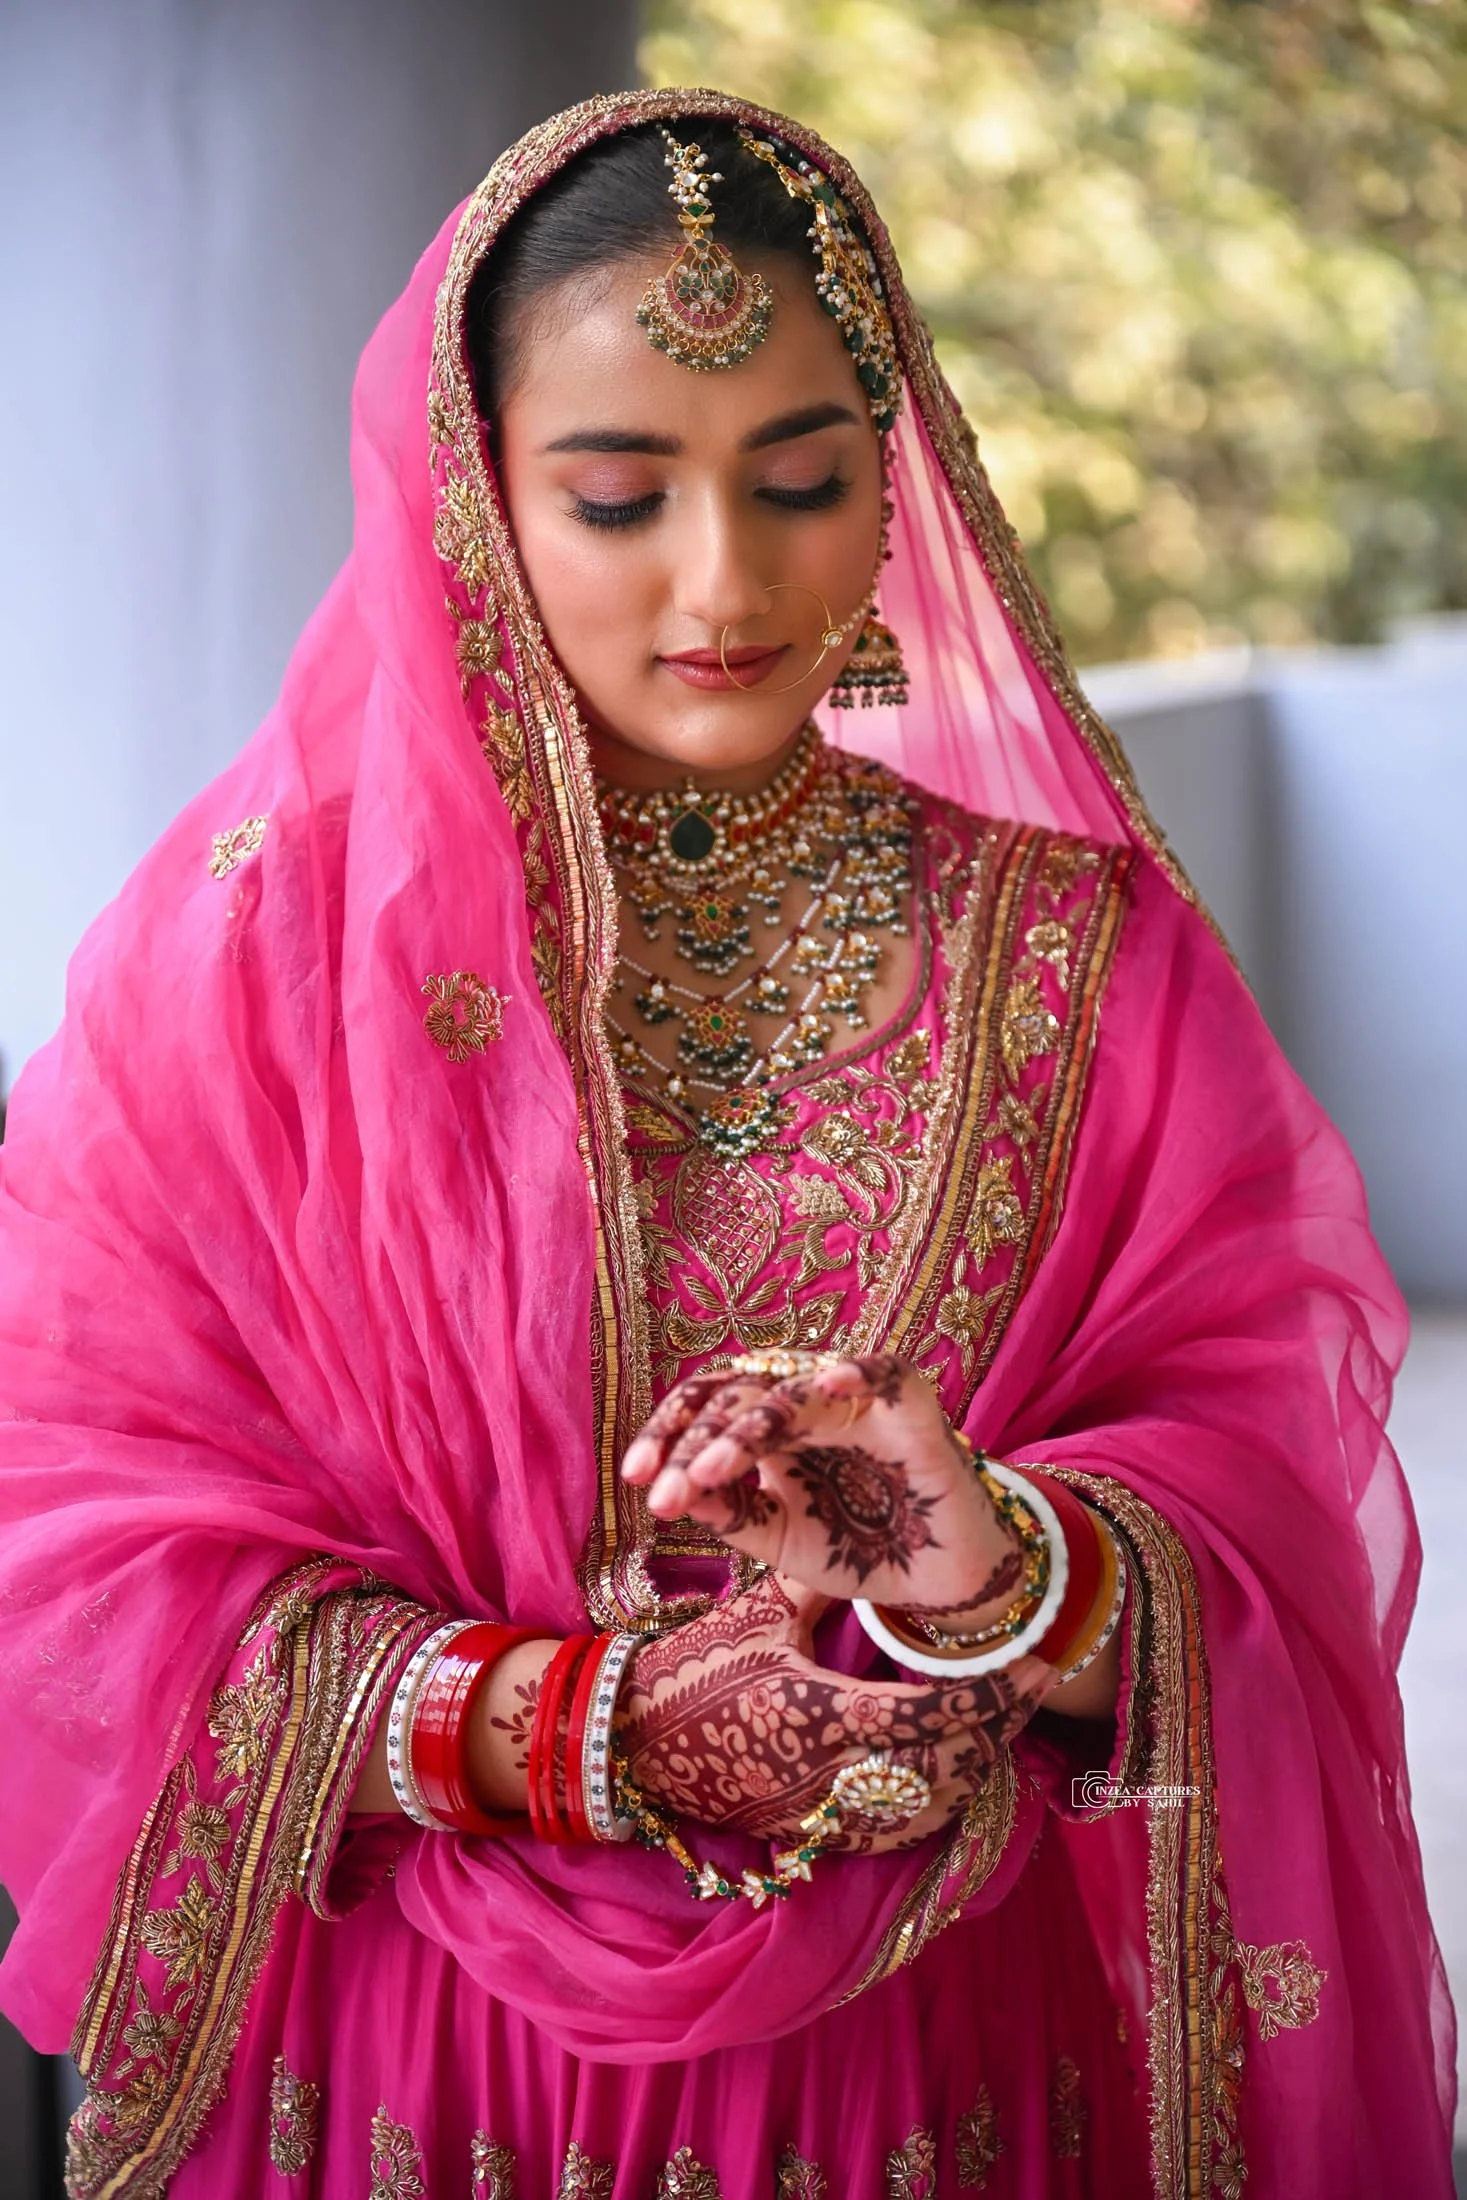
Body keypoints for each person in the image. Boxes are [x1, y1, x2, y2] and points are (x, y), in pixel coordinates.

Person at [0, 89, 1454, 2200]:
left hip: (936, 2051)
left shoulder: (1075, 955)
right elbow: (83, 1542)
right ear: (471, 503)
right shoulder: (259, 962)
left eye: (800, 481)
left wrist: (997, 1568)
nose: (726, 578)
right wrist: (578, 1732)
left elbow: (1264, 1498)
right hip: (430, 2060)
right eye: (616, 498)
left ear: (902, 479)